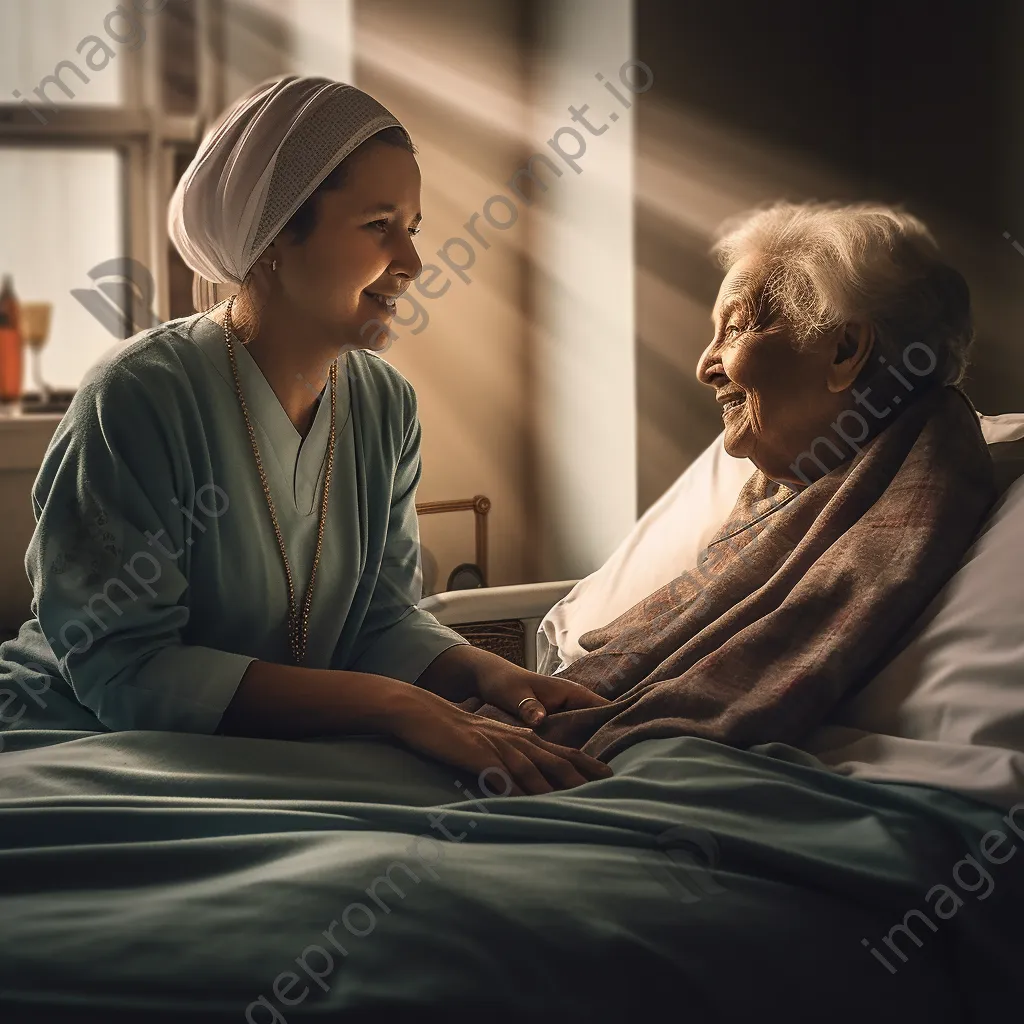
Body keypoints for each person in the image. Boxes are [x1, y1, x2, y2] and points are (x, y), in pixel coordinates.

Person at [0, 75, 611, 796]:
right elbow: (124, 670)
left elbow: (381, 621)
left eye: (411, 229)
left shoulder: (386, 407)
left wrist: (494, 676)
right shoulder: (137, 397)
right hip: (88, 735)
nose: (412, 264)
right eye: (378, 225)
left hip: (285, 746)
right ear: (273, 237)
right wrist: (391, 706)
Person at [531, 201, 998, 761]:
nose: (706, 364)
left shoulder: (920, 493)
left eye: (735, 329)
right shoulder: (779, 493)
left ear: (846, 349)